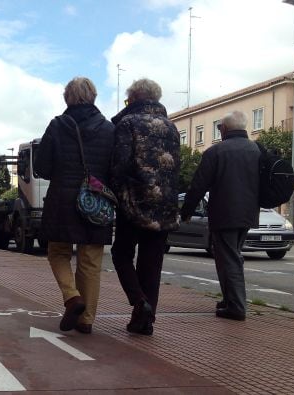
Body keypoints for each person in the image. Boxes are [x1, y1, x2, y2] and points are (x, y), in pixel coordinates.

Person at [34, 77, 115, 334]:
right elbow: (115, 168)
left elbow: (42, 167)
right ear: (93, 96)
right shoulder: (109, 129)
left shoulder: (57, 126)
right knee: (90, 260)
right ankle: (87, 320)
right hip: (97, 203)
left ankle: (71, 296)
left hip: (62, 200)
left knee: (57, 252)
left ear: (67, 97)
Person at [110, 78, 180, 336]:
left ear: (136, 98)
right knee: (152, 263)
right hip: (165, 204)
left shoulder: (127, 124)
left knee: (121, 253)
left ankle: (139, 301)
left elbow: (119, 165)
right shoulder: (171, 127)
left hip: (134, 202)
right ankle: (145, 322)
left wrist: (115, 193)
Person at [180, 110, 261, 321]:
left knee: (229, 259)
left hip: (225, 214)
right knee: (231, 257)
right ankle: (229, 300)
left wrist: (186, 211)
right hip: (248, 214)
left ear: (224, 129)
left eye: (219, 128)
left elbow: (198, 185)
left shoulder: (216, 152)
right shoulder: (256, 150)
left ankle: (236, 307)